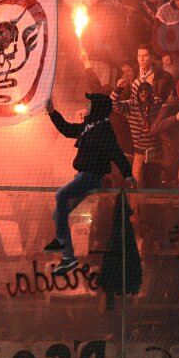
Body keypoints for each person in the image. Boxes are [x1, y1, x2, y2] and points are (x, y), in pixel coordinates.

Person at [44, 92, 135, 275]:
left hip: (91, 177)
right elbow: (68, 129)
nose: (86, 107)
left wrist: (127, 174)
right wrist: (53, 112)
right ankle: (68, 256)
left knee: (61, 195)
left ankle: (63, 244)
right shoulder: (89, 126)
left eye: (89, 104)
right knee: (59, 213)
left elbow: (116, 152)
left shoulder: (104, 129)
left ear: (97, 107)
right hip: (82, 177)